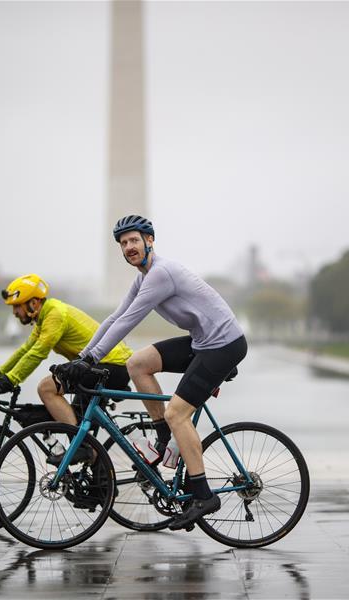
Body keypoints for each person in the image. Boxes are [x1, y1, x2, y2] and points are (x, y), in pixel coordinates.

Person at [63, 215, 247, 530]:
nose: (128, 247)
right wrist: (82, 358)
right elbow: (113, 317)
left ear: (150, 241)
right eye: (123, 243)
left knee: (179, 413)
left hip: (224, 346)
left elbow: (128, 321)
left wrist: (92, 356)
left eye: (134, 240)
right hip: (202, 342)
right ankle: (163, 434)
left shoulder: (162, 273)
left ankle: (203, 495)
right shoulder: (143, 278)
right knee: (137, 363)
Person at [0, 274, 135, 464]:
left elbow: (38, 354)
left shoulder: (55, 315)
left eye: (17, 306)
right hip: (100, 366)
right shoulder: (45, 316)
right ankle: (98, 482)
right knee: (77, 420)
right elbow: (26, 350)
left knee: (46, 388)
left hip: (112, 365)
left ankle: (80, 447)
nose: (15, 312)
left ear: (33, 303)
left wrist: (7, 383)